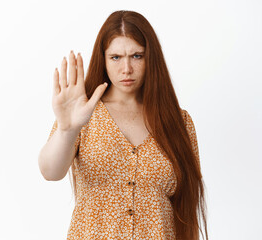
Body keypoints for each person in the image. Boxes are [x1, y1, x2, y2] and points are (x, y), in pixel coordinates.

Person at [38, 10, 208, 240]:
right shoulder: (83, 113)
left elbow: (185, 207)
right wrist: (68, 129)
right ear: (104, 59)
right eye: (116, 57)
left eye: (136, 56)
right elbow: (50, 171)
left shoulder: (179, 121)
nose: (126, 69)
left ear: (151, 58)